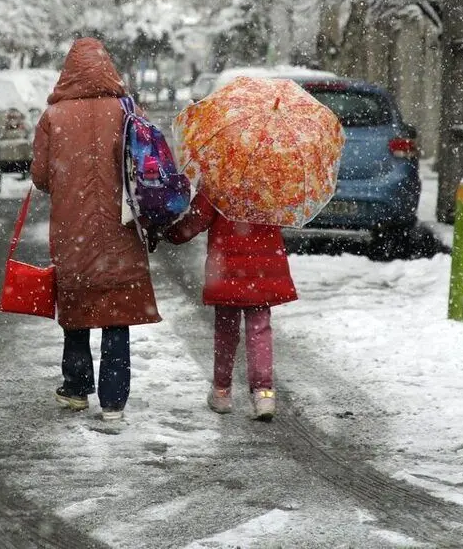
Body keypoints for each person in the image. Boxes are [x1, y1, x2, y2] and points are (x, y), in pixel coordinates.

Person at [31, 38, 161, 422]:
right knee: (116, 311)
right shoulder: (126, 110)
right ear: (108, 68)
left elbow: (40, 176)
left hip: (73, 229)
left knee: (77, 303)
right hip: (122, 226)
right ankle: (114, 402)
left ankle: (75, 388)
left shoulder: (53, 117)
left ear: (68, 71)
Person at [163, 186, 297, 421]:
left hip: (226, 267)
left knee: (226, 331)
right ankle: (264, 394)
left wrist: (171, 234)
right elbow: (286, 216)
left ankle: (222, 391)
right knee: (260, 330)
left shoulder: (219, 177)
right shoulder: (273, 177)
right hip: (263, 269)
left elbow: (197, 220)